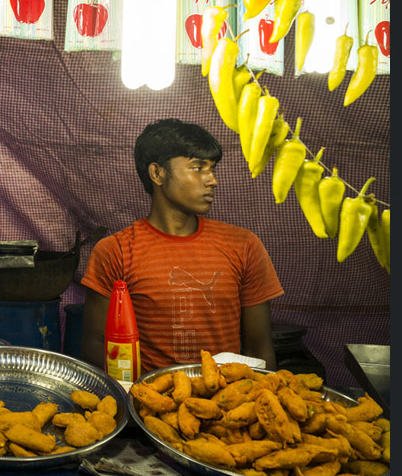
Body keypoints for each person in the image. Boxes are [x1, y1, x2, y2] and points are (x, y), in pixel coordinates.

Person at [80, 118, 283, 373]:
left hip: (225, 403)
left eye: (213, 169)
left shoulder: (243, 245)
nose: (212, 180)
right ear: (158, 173)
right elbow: (95, 344)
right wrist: (143, 397)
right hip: (149, 403)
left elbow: (260, 349)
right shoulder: (115, 251)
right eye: (198, 168)